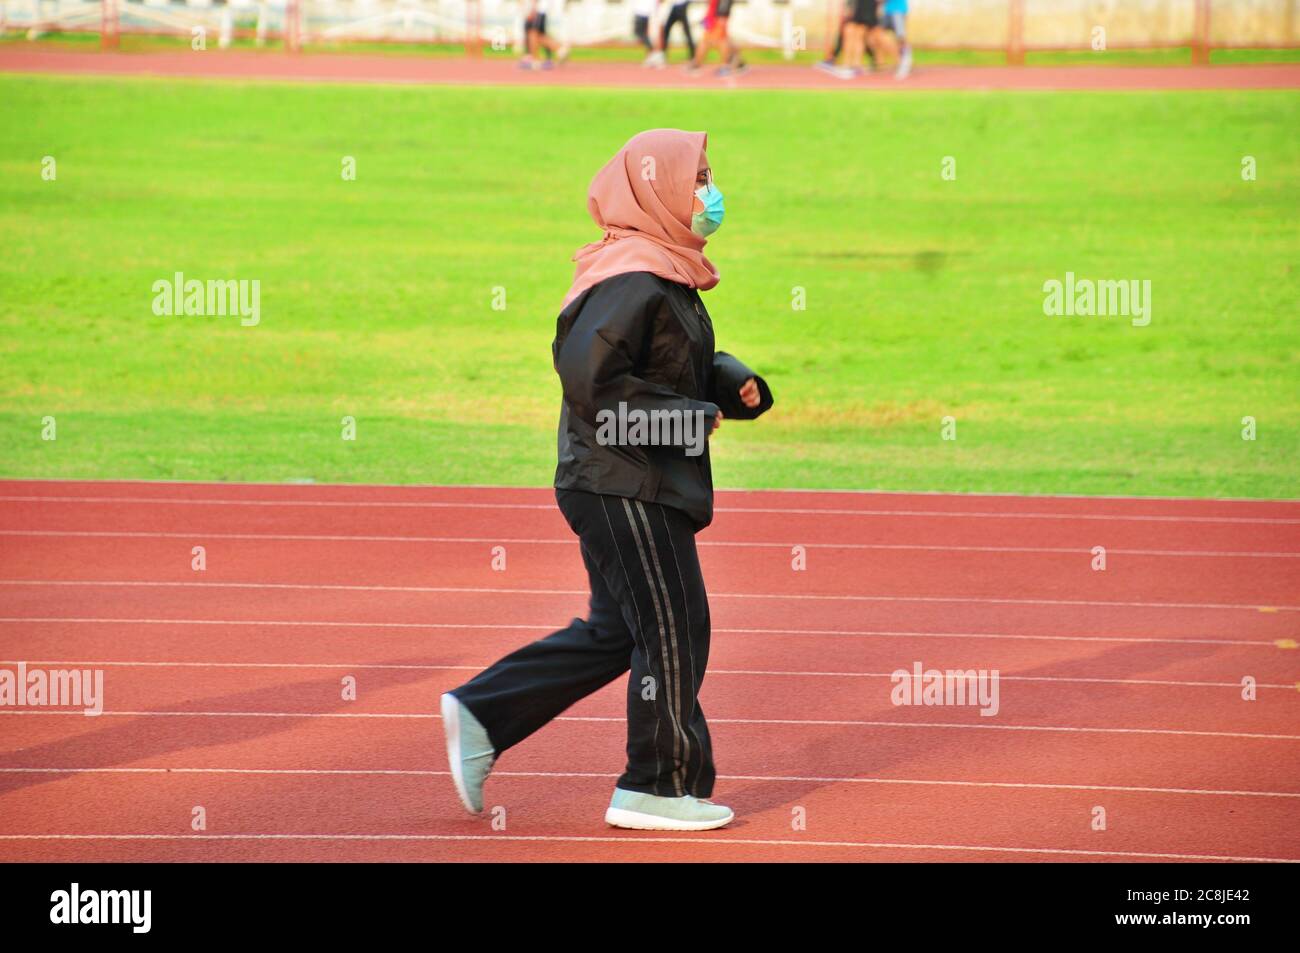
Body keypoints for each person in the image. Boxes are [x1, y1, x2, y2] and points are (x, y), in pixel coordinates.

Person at [440, 128, 774, 832]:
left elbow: (662, 364)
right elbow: (593, 381)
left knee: (619, 627)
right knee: (676, 624)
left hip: (627, 475)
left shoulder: (659, 266)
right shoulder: (631, 275)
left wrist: (730, 381)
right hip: (623, 482)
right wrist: (686, 418)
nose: (710, 193)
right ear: (657, 187)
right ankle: (655, 783)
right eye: (699, 178)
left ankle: (484, 712)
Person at [689, 0, 747, 76]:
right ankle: (738, 62)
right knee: (709, 40)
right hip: (712, 17)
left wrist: (723, 16)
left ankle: (726, 66)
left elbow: (725, 3)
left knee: (721, 40)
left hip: (719, 17)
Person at [519, 0, 570, 70]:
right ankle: (561, 50)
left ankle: (535, 61)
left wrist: (533, 9)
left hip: (538, 10)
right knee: (537, 35)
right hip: (539, 10)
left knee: (533, 34)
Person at [647, 0, 694, 67]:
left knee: (686, 32)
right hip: (675, 6)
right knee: (667, 31)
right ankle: (661, 54)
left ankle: (693, 56)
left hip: (681, 6)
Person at [882, 0, 911, 78]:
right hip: (887, 11)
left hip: (898, 10)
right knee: (879, 34)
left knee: (900, 36)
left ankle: (905, 60)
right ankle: (898, 60)